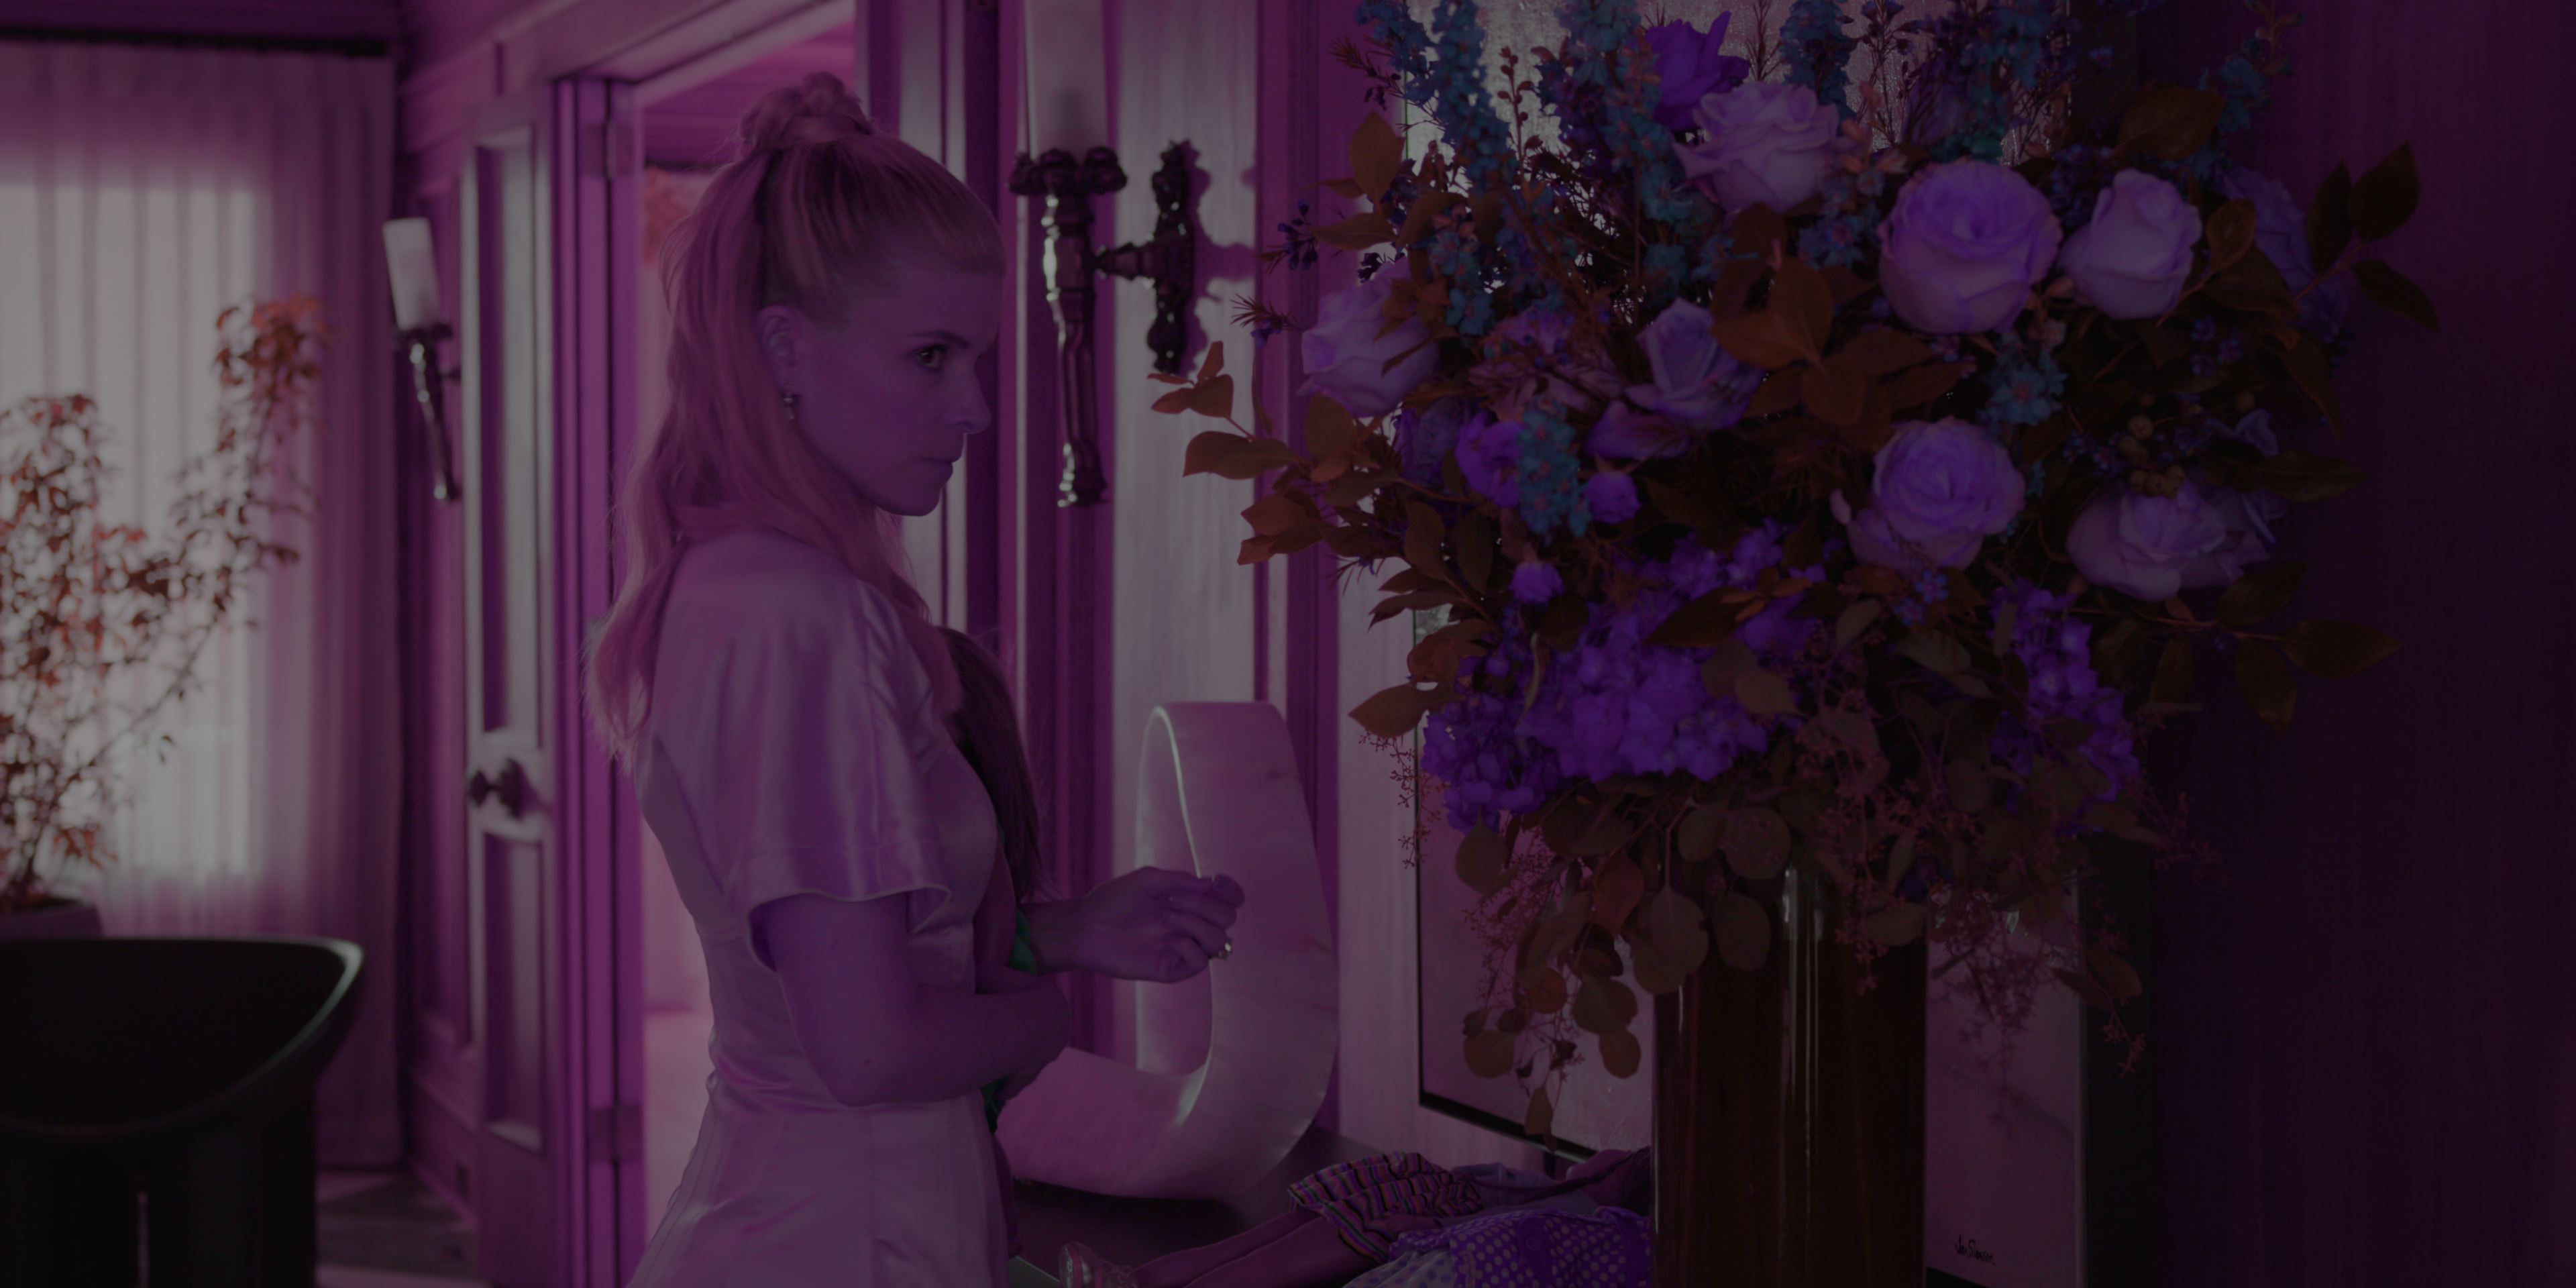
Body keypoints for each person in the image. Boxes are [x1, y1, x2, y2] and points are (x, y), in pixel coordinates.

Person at [584, 72, 1244, 1287]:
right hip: (846, 1239)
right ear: (784, 346)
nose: (975, 408)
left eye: (976, 359)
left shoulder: (733, 583)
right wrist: (1052, 1016)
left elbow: (831, 965)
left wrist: (1057, 934)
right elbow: (873, 1051)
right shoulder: (801, 615)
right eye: (931, 357)